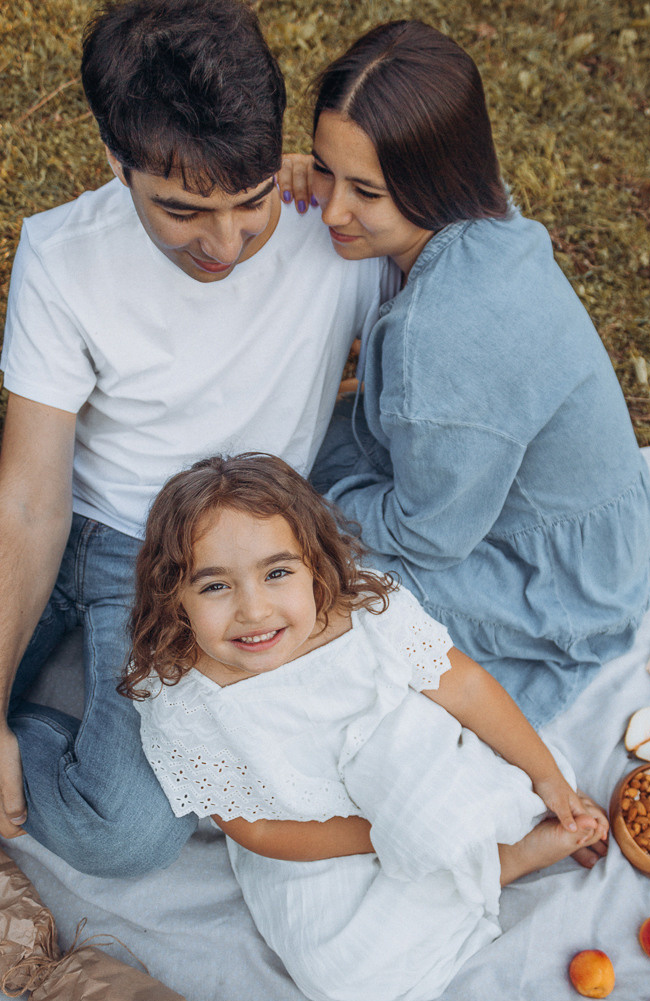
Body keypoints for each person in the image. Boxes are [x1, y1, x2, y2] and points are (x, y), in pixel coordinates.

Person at [0, 0, 390, 875]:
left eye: (250, 200)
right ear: (114, 158)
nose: (225, 242)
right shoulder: (63, 256)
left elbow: (477, 221)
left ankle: (55, 710)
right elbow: (29, 502)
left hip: (196, 563)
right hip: (94, 518)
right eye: (181, 211)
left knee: (125, 834)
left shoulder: (332, 225)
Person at [122, 452, 609, 1001]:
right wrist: (385, 835)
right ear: (173, 596)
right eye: (214, 587)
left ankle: (484, 838)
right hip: (313, 835)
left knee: (490, 791)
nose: (253, 610)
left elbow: (467, 688)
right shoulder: (184, 697)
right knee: (340, 972)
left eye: (278, 573)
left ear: (314, 565)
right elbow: (253, 826)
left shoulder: (364, 617)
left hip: (408, 765)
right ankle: (507, 860)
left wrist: (547, 778)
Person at [283, 20, 650, 729]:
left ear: (434, 177)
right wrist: (319, 168)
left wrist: (307, 516)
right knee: (290, 462)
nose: (332, 209)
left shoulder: (442, 334)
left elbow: (429, 540)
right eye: (326, 168)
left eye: (367, 189)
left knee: (298, 578)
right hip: (556, 508)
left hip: (550, 584)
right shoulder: (480, 207)